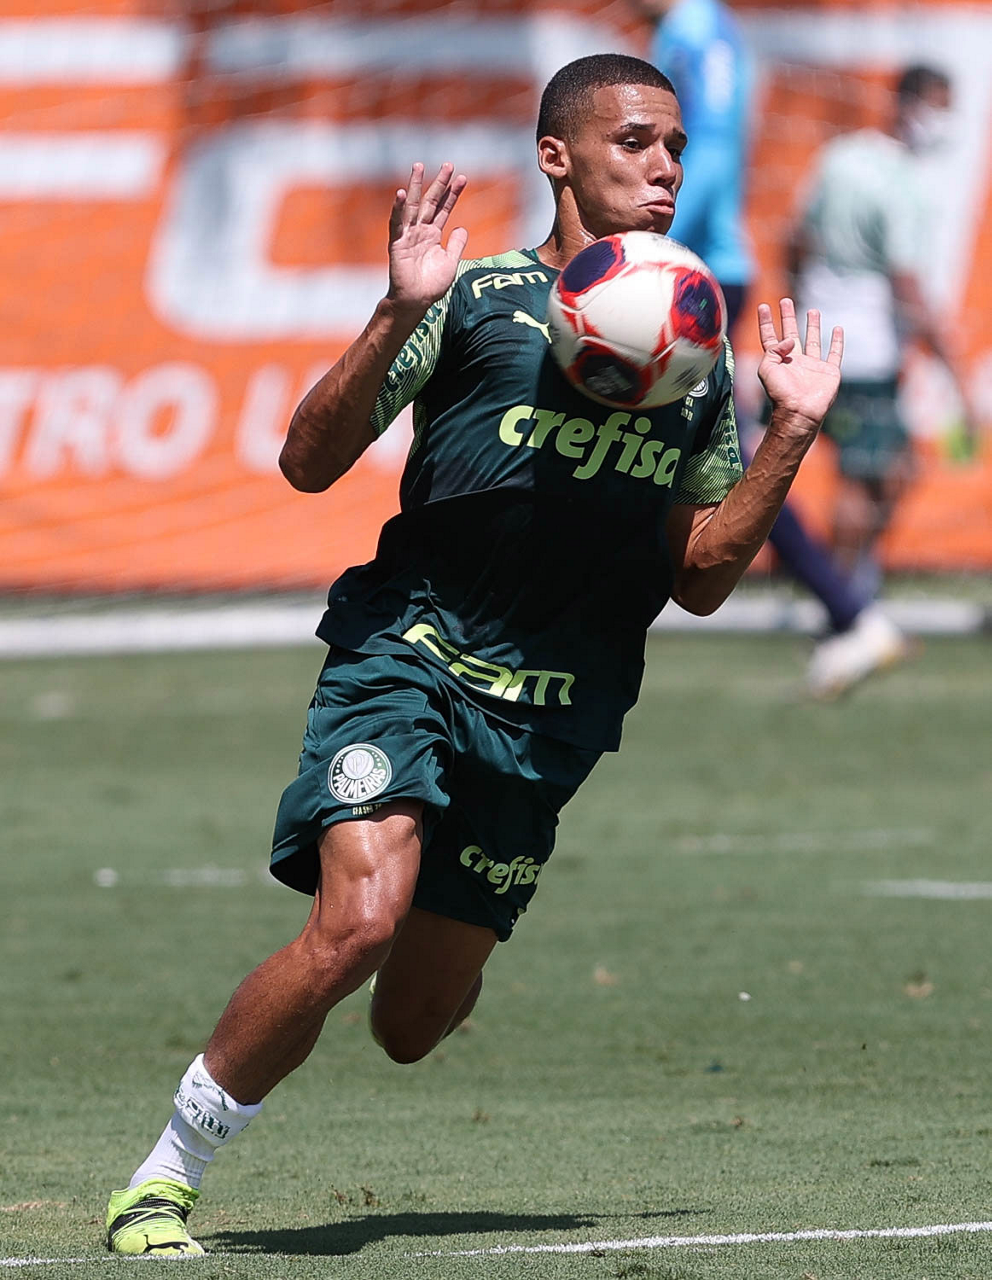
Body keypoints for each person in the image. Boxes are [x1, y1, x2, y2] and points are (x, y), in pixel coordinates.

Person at [104, 53, 842, 1256]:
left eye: (674, 147)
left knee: (410, 1025)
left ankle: (460, 906)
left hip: (552, 708)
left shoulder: (695, 346)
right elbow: (304, 463)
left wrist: (792, 428)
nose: (664, 167)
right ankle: (162, 1177)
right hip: (409, 650)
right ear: (556, 155)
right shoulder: (474, 297)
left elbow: (701, 578)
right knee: (358, 922)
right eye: (634, 142)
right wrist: (397, 306)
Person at [633, 0, 911, 699]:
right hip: (697, 264)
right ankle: (849, 612)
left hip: (691, 269)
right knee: (700, 453)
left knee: (716, 455)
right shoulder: (702, 30)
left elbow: (712, 149)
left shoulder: (697, 30)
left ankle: (850, 613)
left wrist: (655, 249)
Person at [790, 63, 978, 602]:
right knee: (863, 478)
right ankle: (842, 605)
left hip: (819, 332)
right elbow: (907, 285)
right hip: (865, 347)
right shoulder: (903, 184)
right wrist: (956, 373)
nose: (945, 123)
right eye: (941, 108)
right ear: (910, 104)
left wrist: (802, 306)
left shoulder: (840, 157)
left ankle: (850, 590)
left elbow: (796, 240)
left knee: (890, 469)